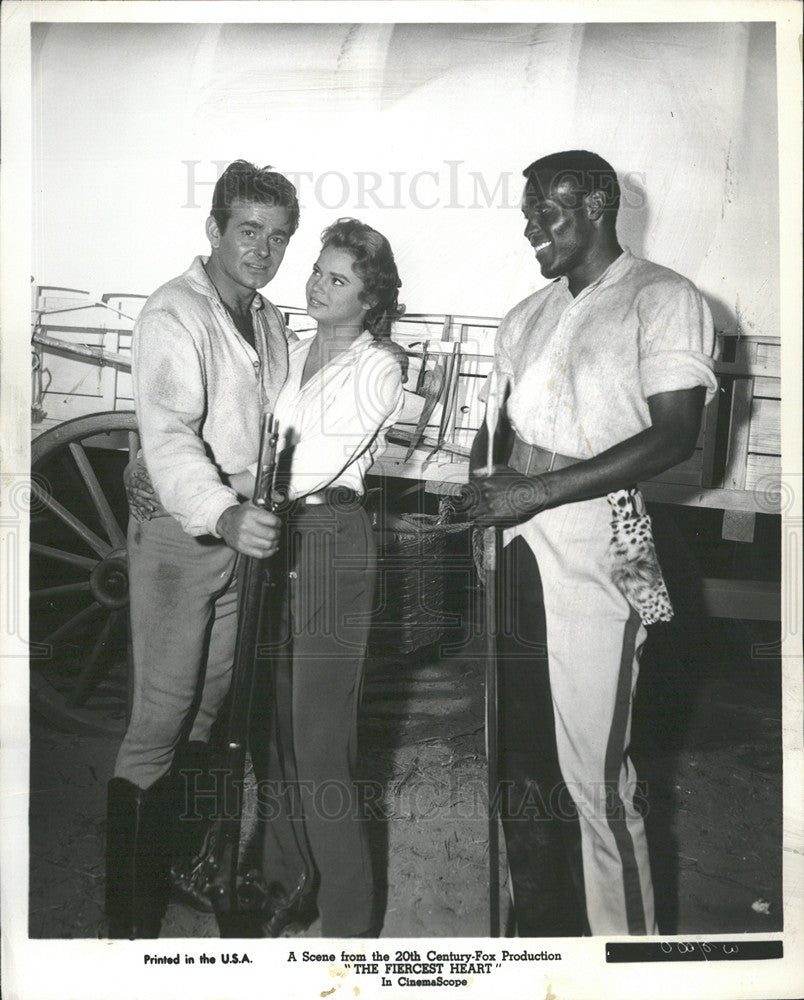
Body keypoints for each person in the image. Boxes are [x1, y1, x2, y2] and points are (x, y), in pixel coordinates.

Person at [468, 150, 718, 936]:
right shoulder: (526, 314)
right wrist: (491, 509)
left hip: (605, 538)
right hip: (516, 543)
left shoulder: (664, 297)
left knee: (593, 777)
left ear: (601, 203)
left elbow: (675, 436)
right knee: (518, 760)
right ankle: (539, 936)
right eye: (526, 211)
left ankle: (626, 958)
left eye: (549, 209)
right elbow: (496, 436)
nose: (532, 227)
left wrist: (534, 492)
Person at [106, 160, 298, 938]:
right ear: (214, 230)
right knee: (158, 720)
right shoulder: (172, 314)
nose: (263, 249)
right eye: (248, 231)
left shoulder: (268, 320)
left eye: (279, 237)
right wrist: (224, 515)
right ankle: (123, 928)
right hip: (185, 540)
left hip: (241, 542)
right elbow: (169, 439)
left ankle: (177, 865)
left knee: (208, 711)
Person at [226, 218, 406, 938]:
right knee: (272, 729)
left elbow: (314, 461)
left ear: (370, 297)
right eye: (317, 271)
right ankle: (285, 883)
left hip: (331, 536)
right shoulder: (293, 352)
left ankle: (348, 922)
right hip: (277, 535)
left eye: (337, 278)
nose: (316, 285)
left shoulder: (378, 366)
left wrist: (228, 483)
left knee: (320, 737)